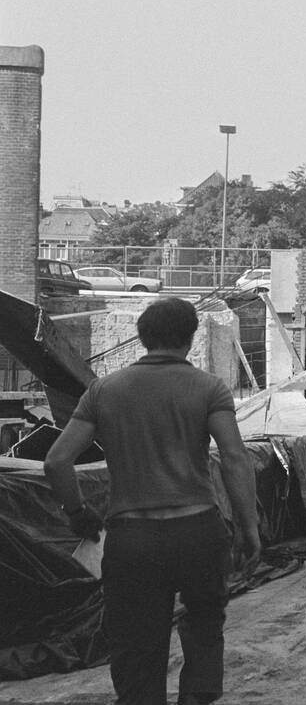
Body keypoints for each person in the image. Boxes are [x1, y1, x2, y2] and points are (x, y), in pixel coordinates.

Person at [44, 298, 260, 705]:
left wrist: (78, 514)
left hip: (133, 539)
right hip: (197, 532)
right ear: (191, 337)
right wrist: (249, 528)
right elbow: (234, 456)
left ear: (142, 338)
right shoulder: (208, 388)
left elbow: (57, 462)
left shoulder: (103, 390)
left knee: (136, 649)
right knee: (203, 631)